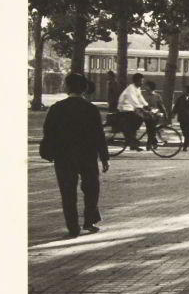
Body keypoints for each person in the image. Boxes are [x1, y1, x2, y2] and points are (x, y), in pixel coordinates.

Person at [39, 71, 110, 238]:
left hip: (64, 156)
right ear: (84, 89)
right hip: (87, 155)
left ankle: (73, 227)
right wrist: (104, 157)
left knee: (67, 191)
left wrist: (49, 152)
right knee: (92, 188)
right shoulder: (91, 109)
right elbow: (99, 134)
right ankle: (90, 220)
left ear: (67, 87)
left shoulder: (56, 108)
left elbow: (48, 132)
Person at [116, 72, 157, 150]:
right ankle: (131, 139)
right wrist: (142, 109)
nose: (142, 83)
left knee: (142, 118)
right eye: (141, 81)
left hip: (131, 108)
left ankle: (133, 141)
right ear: (136, 81)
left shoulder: (137, 88)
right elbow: (134, 101)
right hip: (125, 108)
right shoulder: (131, 89)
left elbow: (140, 98)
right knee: (139, 118)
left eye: (142, 81)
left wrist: (147, 106)